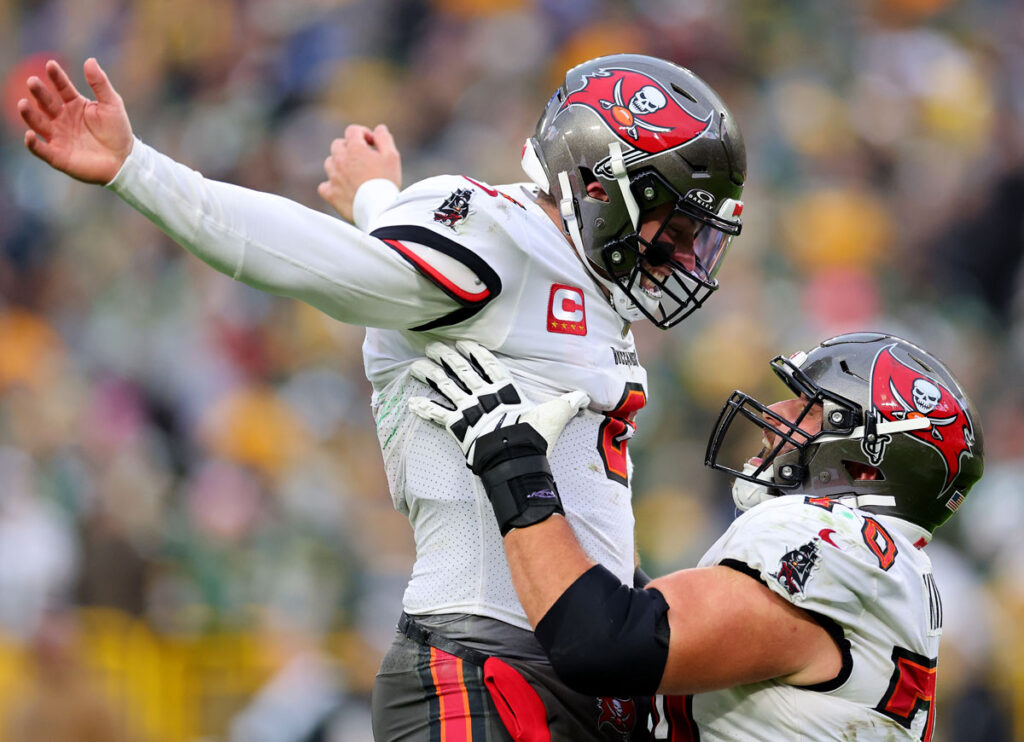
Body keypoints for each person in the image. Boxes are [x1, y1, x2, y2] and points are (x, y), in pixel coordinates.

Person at [18, 53, 745, 740]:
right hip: (482, 668)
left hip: (568, 667)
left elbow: (438, 293)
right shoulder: (502, 232)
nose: (681, 253)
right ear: (595, 183)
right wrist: (136, 169)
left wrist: (375, 199)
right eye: (673, 225)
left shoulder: (571, 277)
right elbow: (323, 265)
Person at [409, 332, 984, 740]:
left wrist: (514, 465)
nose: (781, 409)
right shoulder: (884, 567)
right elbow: (650, 628)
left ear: (864, 466)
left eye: (813, 408)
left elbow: (607, 644)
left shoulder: (833, 540)